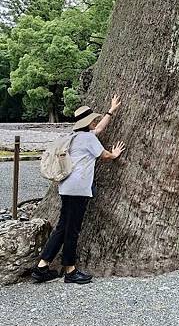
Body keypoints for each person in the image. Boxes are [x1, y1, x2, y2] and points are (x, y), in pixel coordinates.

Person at [32, 95, 125, 285]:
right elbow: (105, 155)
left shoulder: (74, 137)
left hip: (66, 187)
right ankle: (70, 270)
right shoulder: (89, 139)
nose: (96, 122)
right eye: (93, 120)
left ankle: (42, 267)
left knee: (62, 227)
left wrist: (111, 111)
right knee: (72, 230)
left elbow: (98, 129)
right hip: (79, 188)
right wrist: (114, 154)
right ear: (88, 122)